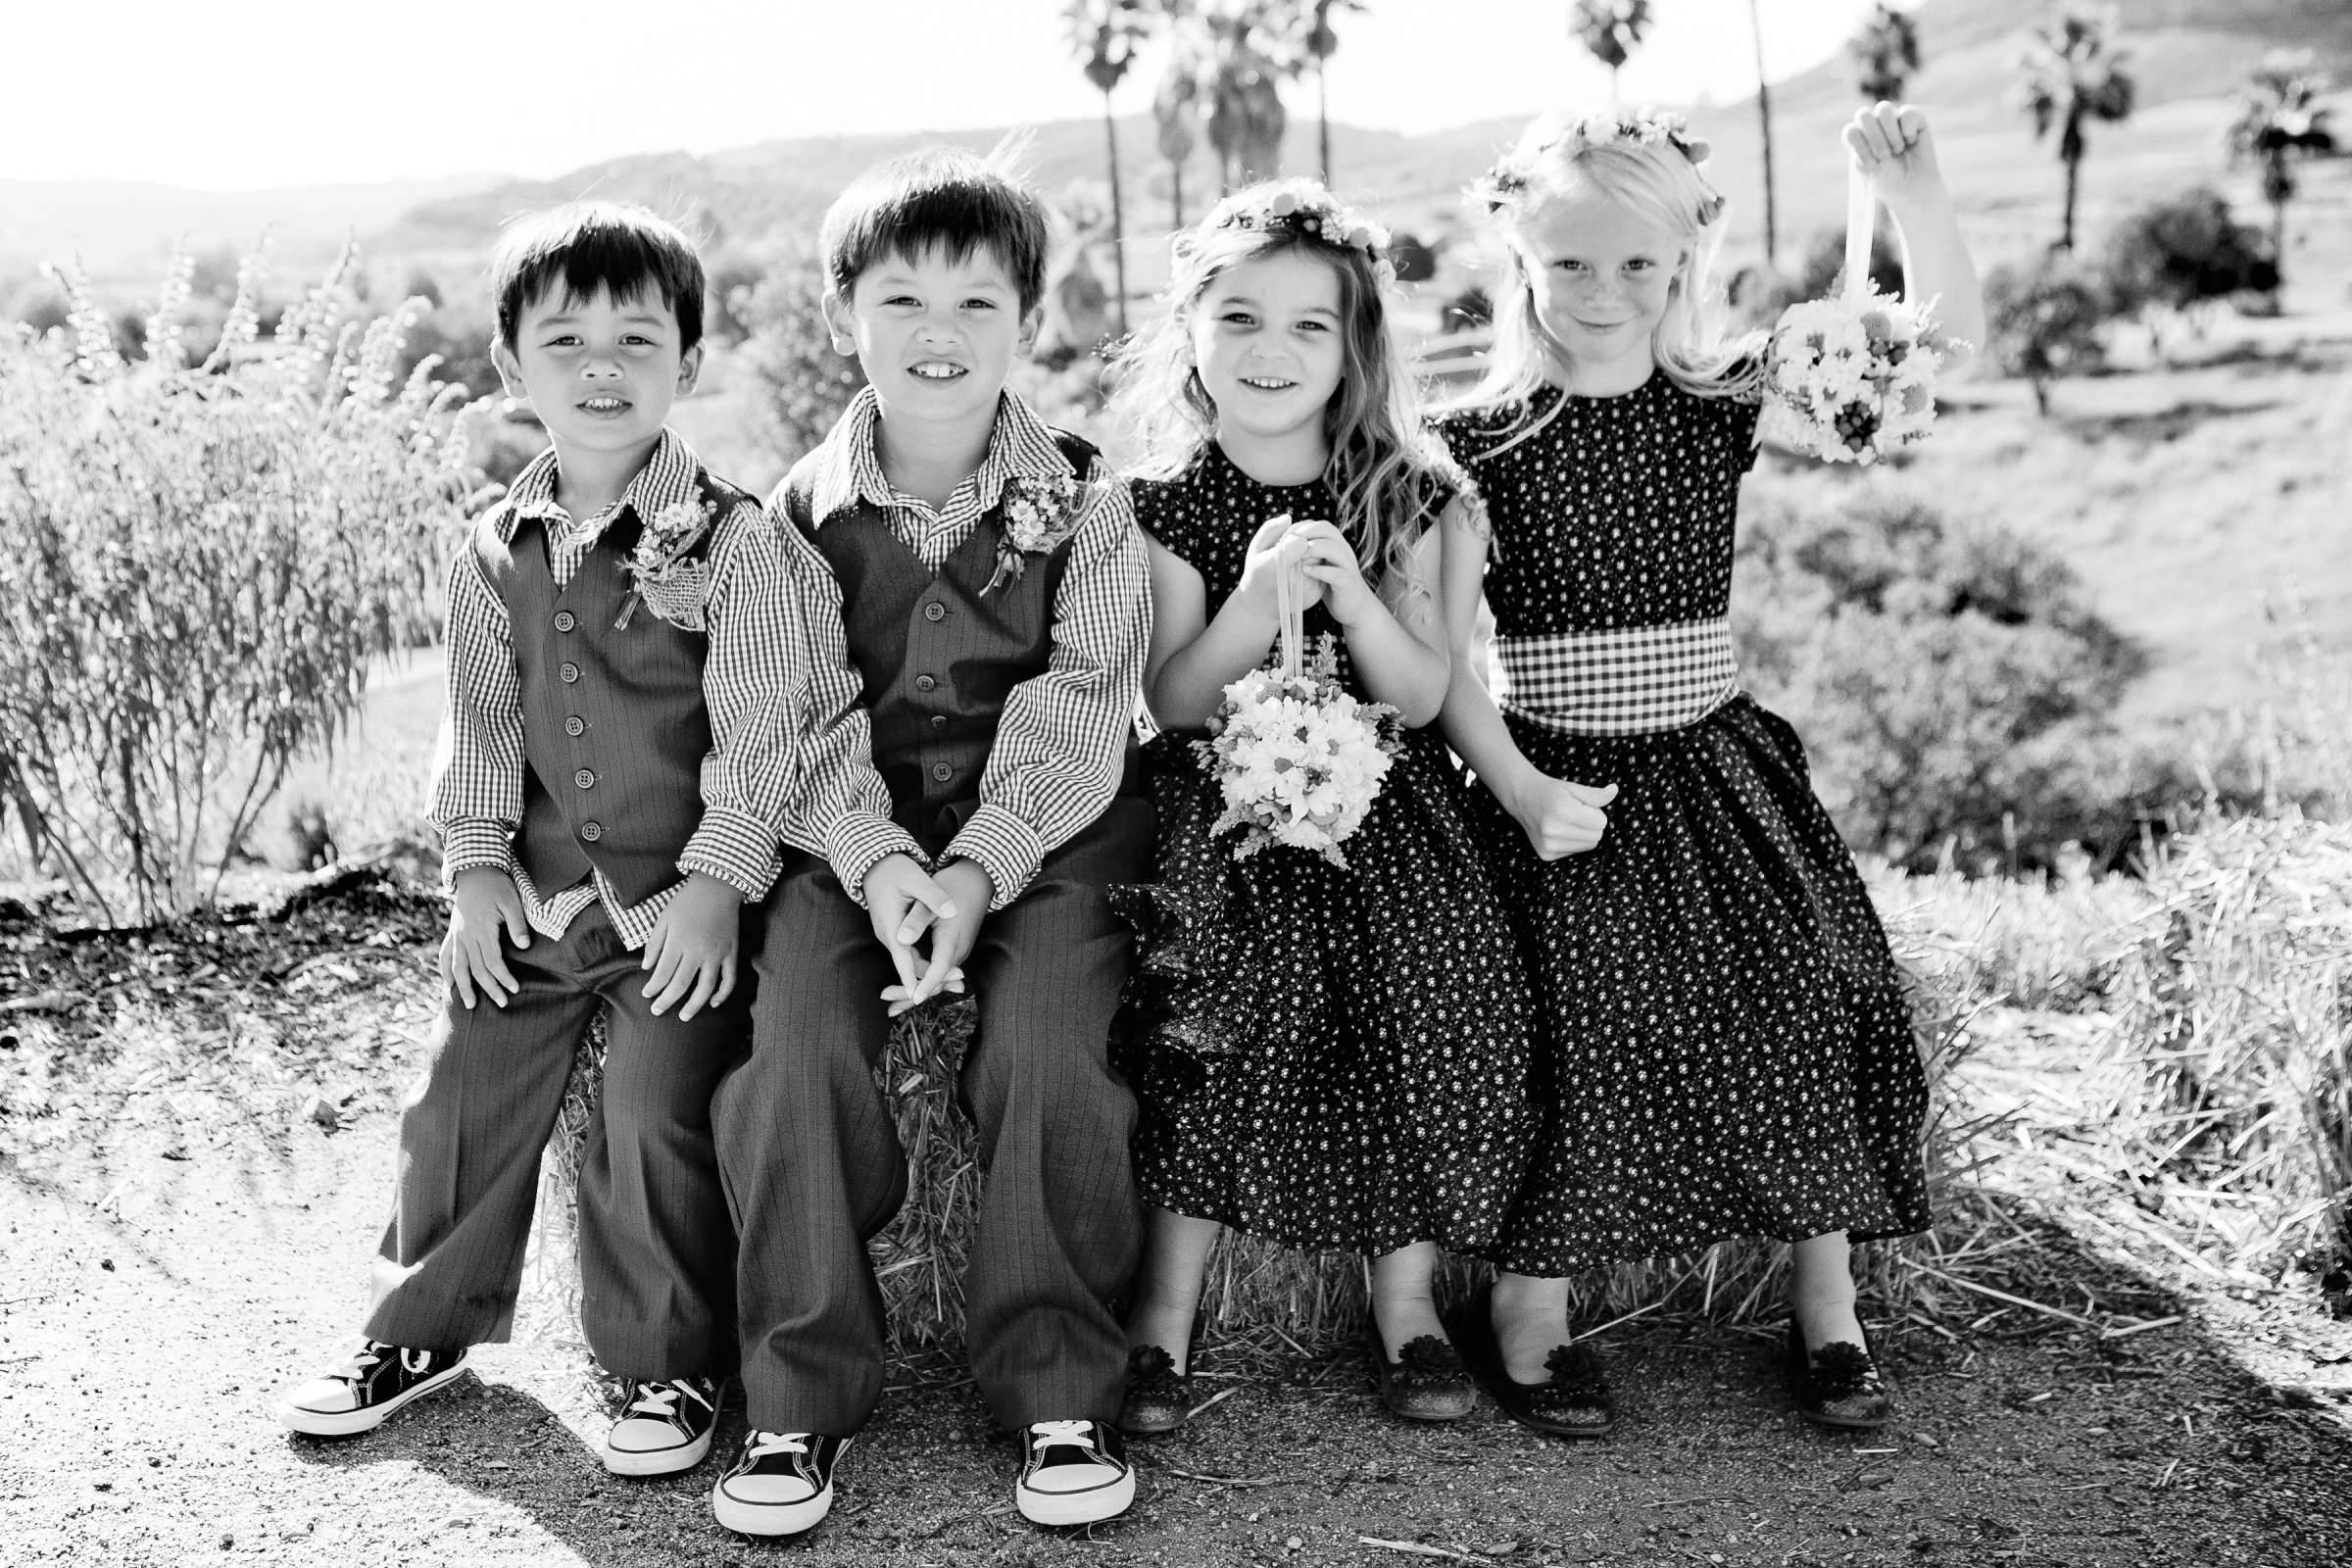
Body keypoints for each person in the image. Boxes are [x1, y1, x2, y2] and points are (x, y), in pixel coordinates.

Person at [1433, 103, 1986, 1436]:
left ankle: (1828, 1293)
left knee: (1811, 981)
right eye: (1571, 263)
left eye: (1639, 263)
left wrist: (1913, 186)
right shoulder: (1472, 438)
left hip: (1713, 762)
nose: (1605, 292)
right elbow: (1442, 654)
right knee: (1564, 1011)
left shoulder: (1724, 398)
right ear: (1520, 258)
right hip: (1553, 775)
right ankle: (1531, 1305)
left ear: (1686, 262)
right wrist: (1513, 785)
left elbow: (1943, 340)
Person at [273, 203, 798, 1481]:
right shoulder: (485, 552)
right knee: (465, 1069)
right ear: (511, 368)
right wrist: (473, 878)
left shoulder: (739, 541)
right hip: (554, 894)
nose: (602, 368)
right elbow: (487, 729)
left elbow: (763, 732)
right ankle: (423, 1325)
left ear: (689, 359)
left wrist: (720, 887)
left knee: (652, 1100)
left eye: (637, 336)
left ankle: (667, 1363)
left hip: (687, 908)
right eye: (565, 340)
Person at [710, 145, 1153, 1538]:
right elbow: (796, 713)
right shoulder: (786, 520)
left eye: (978, 303)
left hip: (1053, 825)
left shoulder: (1094, 501)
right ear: (847, 316)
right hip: (848, 826)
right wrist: (890, 864)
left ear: (1031, 318)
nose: (939, 335)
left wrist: (978, 867)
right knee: (793, 1041)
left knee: (1048, 1041)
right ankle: (796, 1391)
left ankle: (1055, 1381)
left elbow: (1084, 705)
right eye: (901, 300)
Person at [1107, 179, 1537, 1436]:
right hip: (1224, 820)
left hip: (1387, 820)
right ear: (1190, 329)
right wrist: (1252, 605)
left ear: (1355, 347)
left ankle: (1406, 1308)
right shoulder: (1163, 503)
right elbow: (1175, 699)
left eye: (1309, 326)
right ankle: (1162, 1319)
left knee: (1428, 990)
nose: (1271, 352)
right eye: (1239, 318)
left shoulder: (1404, 491)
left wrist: (1354, 603)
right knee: (1219, 1017)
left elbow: (1417, 692)